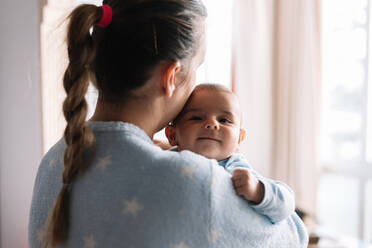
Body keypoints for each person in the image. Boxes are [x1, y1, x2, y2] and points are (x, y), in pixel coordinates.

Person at [29, 1, 308, 247]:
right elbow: (294, 235)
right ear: (171, 76)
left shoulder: (57, 159)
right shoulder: (196, 183)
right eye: (197, 69)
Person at [164, 83, 295, 223]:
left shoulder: (238, 170)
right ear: (172, 135)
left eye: (224, 120)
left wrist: (258, 191)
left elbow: (286, 204)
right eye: (196, 118)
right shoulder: (167, 160)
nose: (212, 124)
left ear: (239, 138)